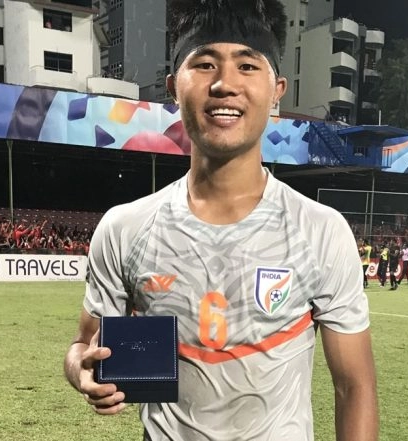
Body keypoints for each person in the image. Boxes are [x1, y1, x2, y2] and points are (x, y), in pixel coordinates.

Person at [62, 1, 378, 440]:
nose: (225, 84)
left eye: (247, 66)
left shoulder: (320, 231)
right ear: (174, 86)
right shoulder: (125, 229)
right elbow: (84, 345)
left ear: (276, 90)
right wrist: (80, 368)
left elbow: (354, 386)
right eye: (205, 63)